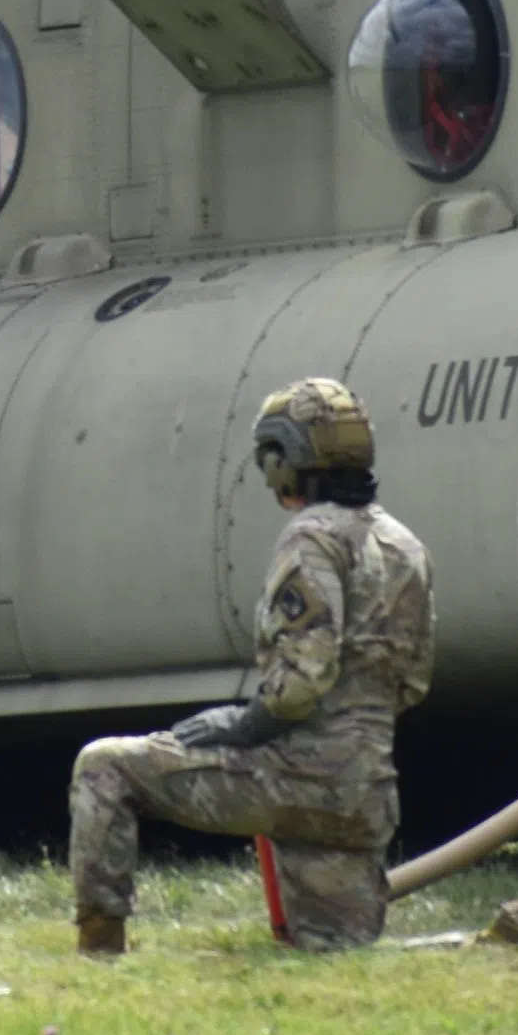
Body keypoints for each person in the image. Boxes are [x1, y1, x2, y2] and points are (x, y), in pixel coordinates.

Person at [67, 378, 433, 957]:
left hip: (294, 783)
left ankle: (99, 946)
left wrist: (244, 724)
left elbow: (302, 681)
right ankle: (497, 941)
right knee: (340, 955)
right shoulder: (404, 546)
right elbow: (411, 683)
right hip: (364, 798)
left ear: (288, 460)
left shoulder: (311, 539)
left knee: (104, 766)